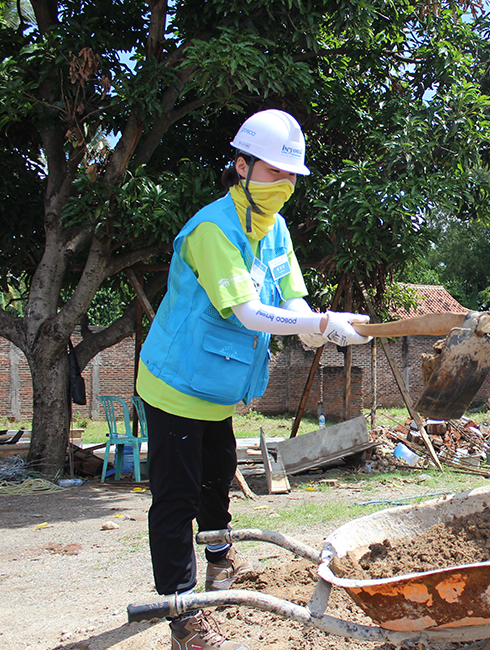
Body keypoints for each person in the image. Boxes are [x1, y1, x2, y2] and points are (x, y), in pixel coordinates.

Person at [136, 109, 371, 650]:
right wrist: (315, 323)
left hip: (217, 390)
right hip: (175, 383)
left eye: (292, 176)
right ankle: (183, 613)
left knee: (217, 476)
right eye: (274, 172)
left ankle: (220, 565)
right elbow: (246, 312)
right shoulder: (211, 230)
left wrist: (317, 327)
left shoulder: (275, 229)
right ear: (240, 167)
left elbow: (289, 296)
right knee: (175, 496)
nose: (285, 186)